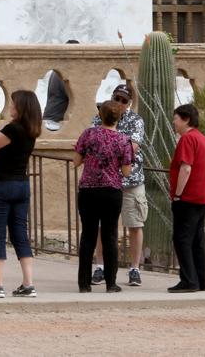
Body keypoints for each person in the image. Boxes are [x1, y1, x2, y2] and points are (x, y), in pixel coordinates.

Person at [0, 90, 42, 298]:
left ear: (21, 107)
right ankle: (28, 284)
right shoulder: (29, 130)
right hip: (21, 186)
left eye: (13, 104)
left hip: (0, 186)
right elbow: (0, 139)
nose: (10, 107)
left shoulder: (13, 128)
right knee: (20, 233)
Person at [90, 84, 147, 287]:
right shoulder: (99, 116)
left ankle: (134, 268)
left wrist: (107, 143)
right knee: (101, 226)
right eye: (117, 98)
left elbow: (133, 147)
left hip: (131, 180)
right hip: (105, 180)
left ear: (130, 102)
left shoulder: (136, 121)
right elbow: (91, 141)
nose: (120, 103)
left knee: (134, 224)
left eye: (124, 100)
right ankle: (100, 267)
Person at [73, 101, 133, 293]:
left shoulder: (88, 134)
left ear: (100, 115)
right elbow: (126, 172)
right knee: (110, 236)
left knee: (88, 236)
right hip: (111, 191)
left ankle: (84, 283)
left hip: (88, 190)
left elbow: (76, 161)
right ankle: (111, 283)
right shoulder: (124, 140)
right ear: (119, 118)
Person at [168, 104, 205, 293]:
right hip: (203, 196)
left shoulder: (187, 139)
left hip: (188, 197)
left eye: (176, 118)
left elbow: (186, 168)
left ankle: (189, 280)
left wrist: (178, 194)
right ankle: (201, 280)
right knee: (196, 240)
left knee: (182, 239)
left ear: (186, 119)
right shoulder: (202, 138)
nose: (174, 122)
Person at [42, 39, 78, 131]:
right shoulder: (65, 74)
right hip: (55, 123)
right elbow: (75, 97)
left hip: (50, 120)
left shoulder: (57, 70)